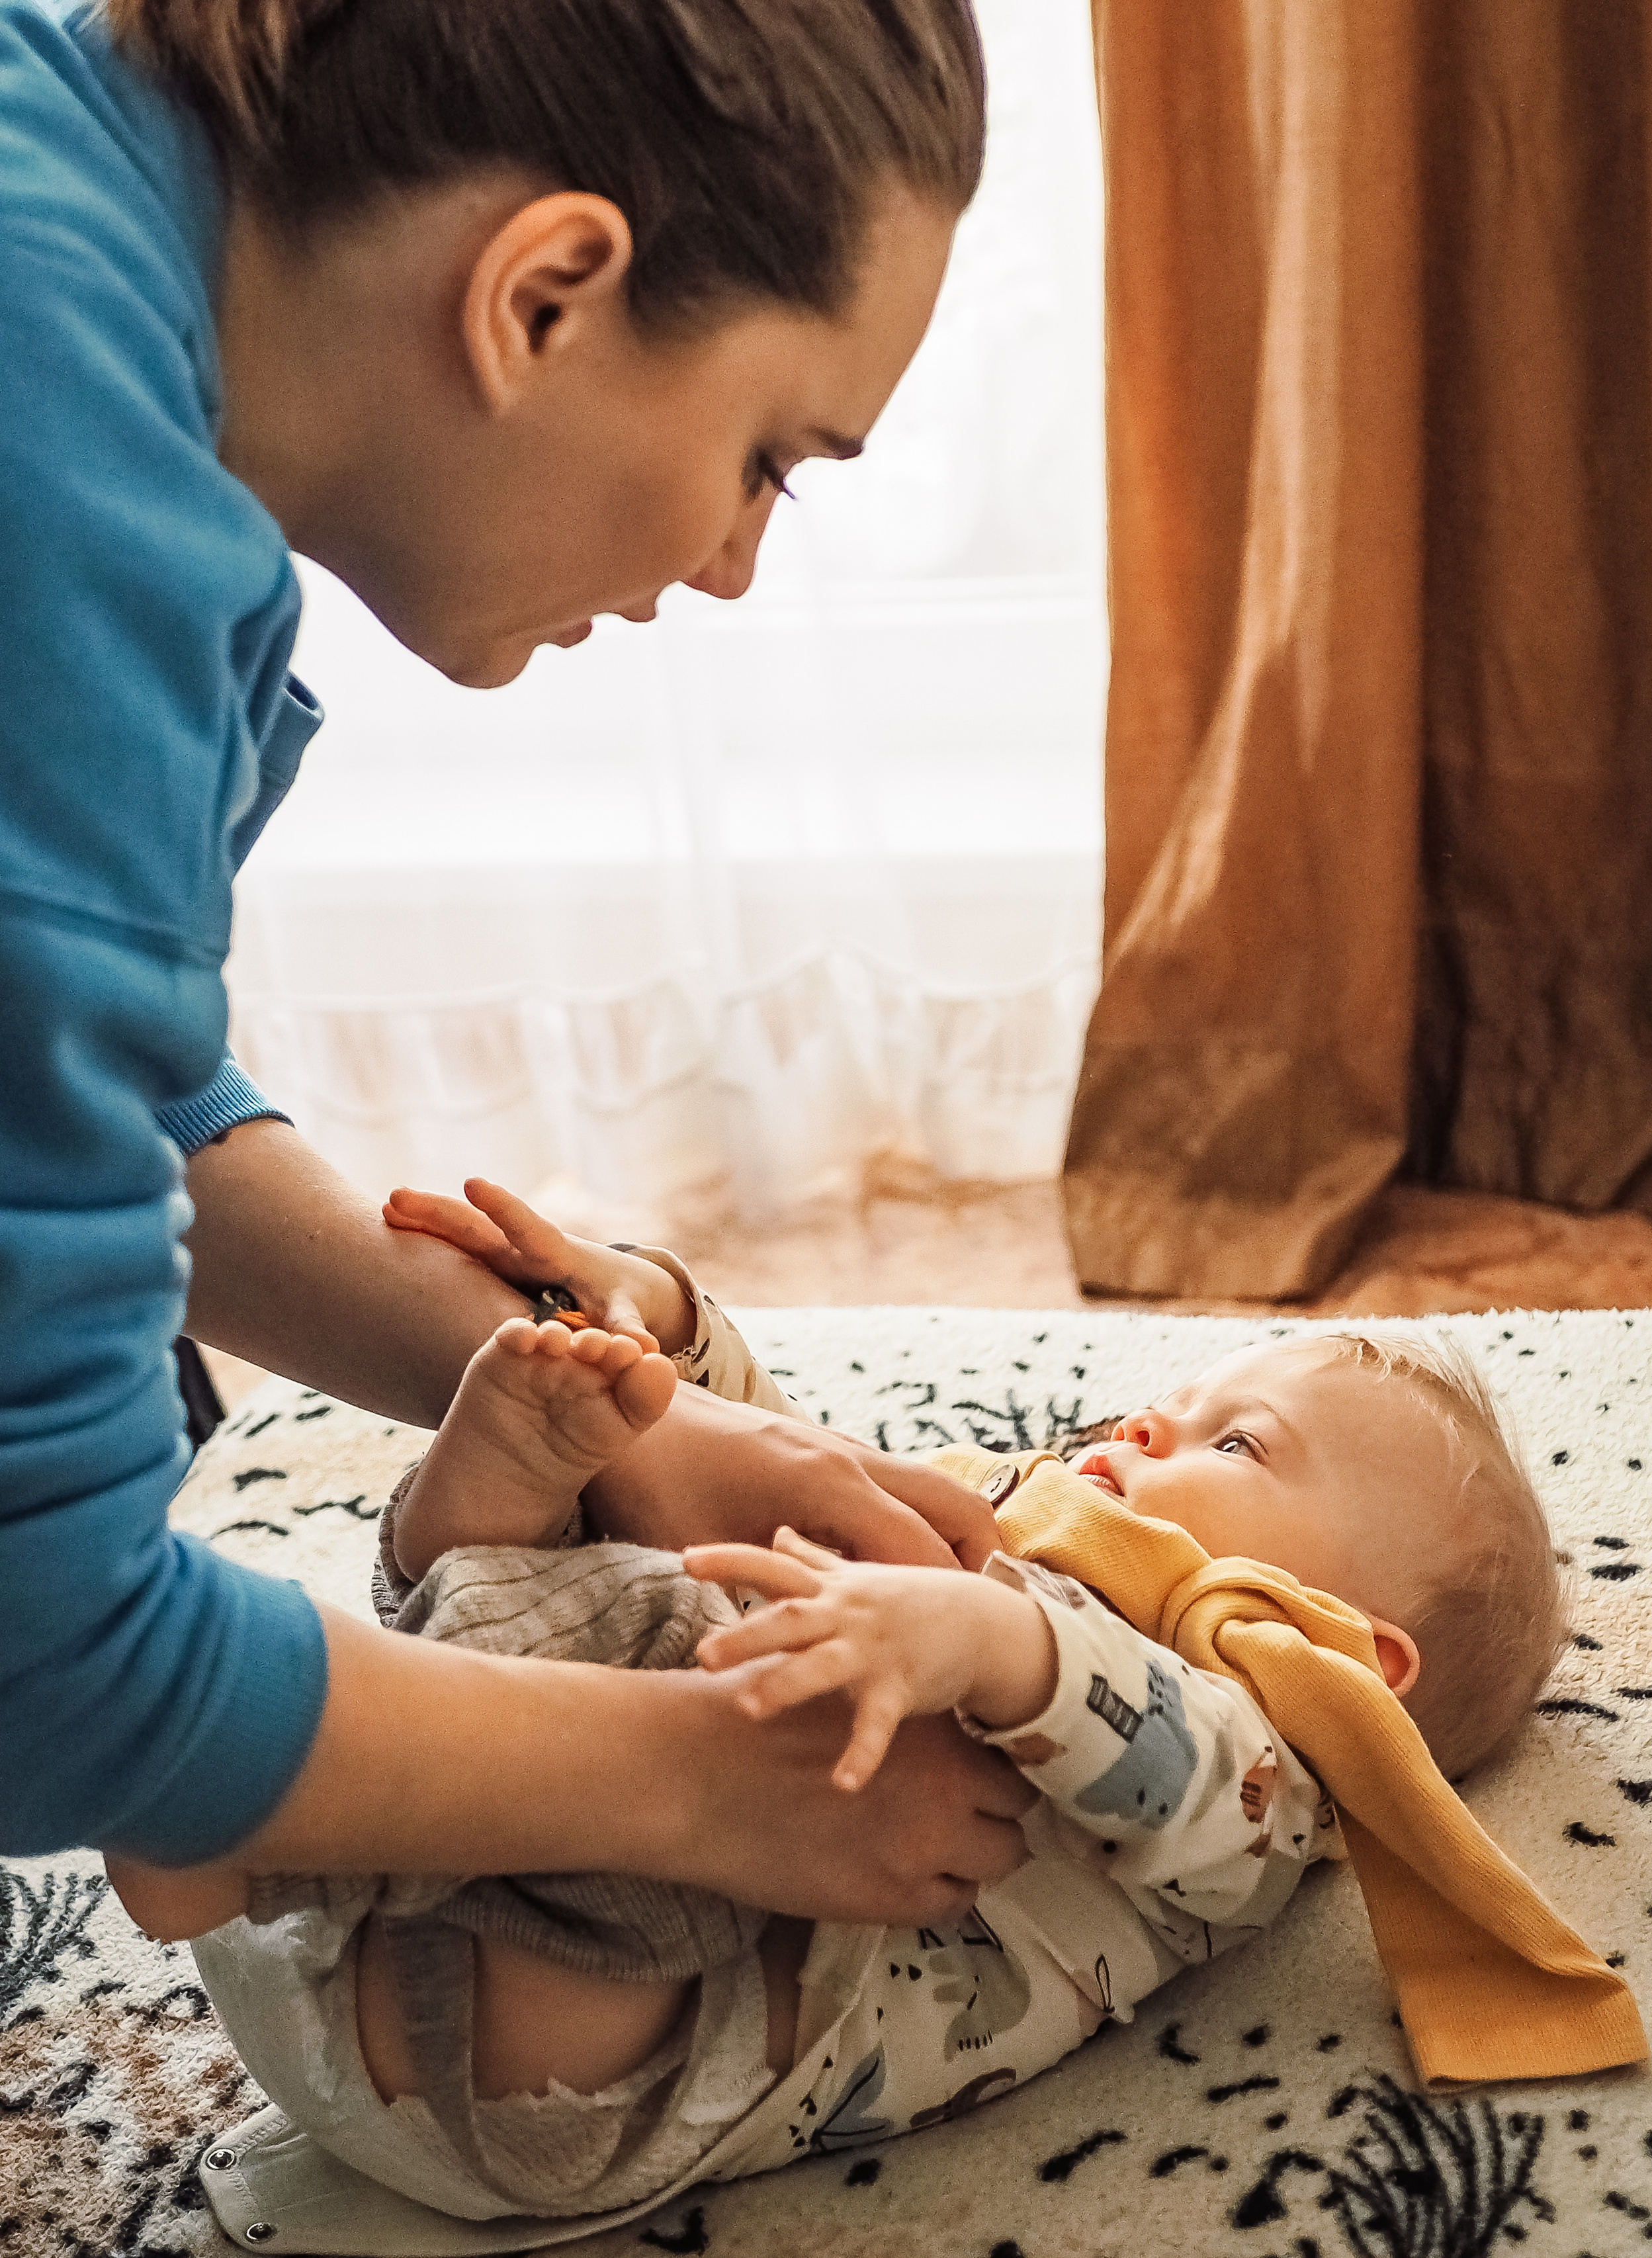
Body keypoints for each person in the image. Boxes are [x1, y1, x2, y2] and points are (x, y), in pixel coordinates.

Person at [1, 0, 1039, 1925]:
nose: (735, 563)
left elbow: (79, 1090)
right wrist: (704, 1779)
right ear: (545, 291)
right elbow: (43, 1659)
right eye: (766, 457)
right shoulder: (62, 507)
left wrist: (627, 1412)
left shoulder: (90, 254)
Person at [157, 1183, 1565, 2249]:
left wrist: (982, 1634)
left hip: (595, 2061)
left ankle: (270, 1800)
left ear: (1352, 1647)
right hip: (438, 1933)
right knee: (652, 1558)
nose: (1139, 1432)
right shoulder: (1026, 1530)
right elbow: (788, 1464)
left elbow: (1157, 1756)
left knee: (680, 1645)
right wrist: (658, 1332)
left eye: (1235, 1445)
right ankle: (427, 1584)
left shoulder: (1256, 1766)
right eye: (1167, 1404)